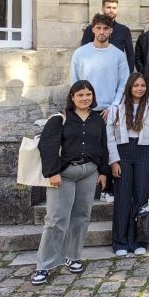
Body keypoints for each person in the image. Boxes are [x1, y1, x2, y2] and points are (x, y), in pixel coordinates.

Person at [31, 80, 109, 285]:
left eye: (88, 94)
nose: (85, 98)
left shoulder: (97, 119)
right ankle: (44, 265)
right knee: (56, 219)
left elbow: (103, 146)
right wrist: (52, 173)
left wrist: (103, 171)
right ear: (72, 97)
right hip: (64, 174)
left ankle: (73, 256)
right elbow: (47, 145)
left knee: (81, 217)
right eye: (80, 95)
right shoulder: (60, 119)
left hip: (89, 173)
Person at [106, 73, 149, 256]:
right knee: (123, 197)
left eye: (143, 85)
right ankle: (120, 241)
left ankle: (138, 239)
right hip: (123, 151)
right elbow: (110, 137)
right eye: (136, 85)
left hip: (144, 152)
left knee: (141, 196)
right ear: (129, 87)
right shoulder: (116, 108)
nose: (139, 88)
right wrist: (113, 160)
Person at [71, 13, 129, 122]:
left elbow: (123, 84)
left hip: (110, 111)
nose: (102, 32)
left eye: (105, 28)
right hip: (85, 110)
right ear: (93, 29)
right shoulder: (80, 53)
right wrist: (81, 107)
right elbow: (75, 83)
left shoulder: (119, 55)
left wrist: (114, 106)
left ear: (111, 30)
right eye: (98, 28)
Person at [81, 0, 135, 71]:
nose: (111, 10)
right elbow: (83, 52)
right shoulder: (90, 29)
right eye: (108, 7)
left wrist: (129, 76)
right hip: (95, 70)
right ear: (102, 8)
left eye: (114, 8)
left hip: (117, 70)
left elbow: (130, 55)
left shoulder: (124, 30)